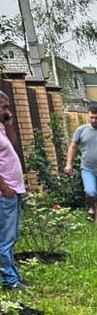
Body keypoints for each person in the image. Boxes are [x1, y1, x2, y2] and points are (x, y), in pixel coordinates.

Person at [64, 105, 97, 225]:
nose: (94, 120)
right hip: (87, 168)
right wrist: (68, 164)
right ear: (88, 116)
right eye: (91, 117)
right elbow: (73, 147)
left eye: (96, 118)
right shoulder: (81, 130)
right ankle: (92, 208)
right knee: (90, 192)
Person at [0, 92, 27, 291]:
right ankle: (10, 281)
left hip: (13, 190)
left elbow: (15, 146)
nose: (7, 111)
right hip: (5, 192)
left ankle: (13, 276)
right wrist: (4, 187)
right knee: (5, 239)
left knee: (11, 237)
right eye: (3, 107)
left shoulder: (1, 129)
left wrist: (8, 125)